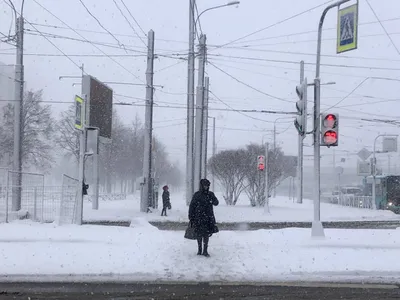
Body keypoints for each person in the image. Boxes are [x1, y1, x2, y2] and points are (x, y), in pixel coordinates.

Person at [188, 178, 219, 257]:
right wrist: (191, 217)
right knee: (199, 234)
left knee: (206, 234)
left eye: (207, 186)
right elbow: (192, 206)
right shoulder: (197, 194)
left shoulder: (210, 194)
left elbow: (216, 202)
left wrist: (212, 201)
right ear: (201, 186)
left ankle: (205, 250)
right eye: (204, 185)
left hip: (208, 217)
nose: (206, 187)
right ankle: (199, 250)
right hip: (198, 217)